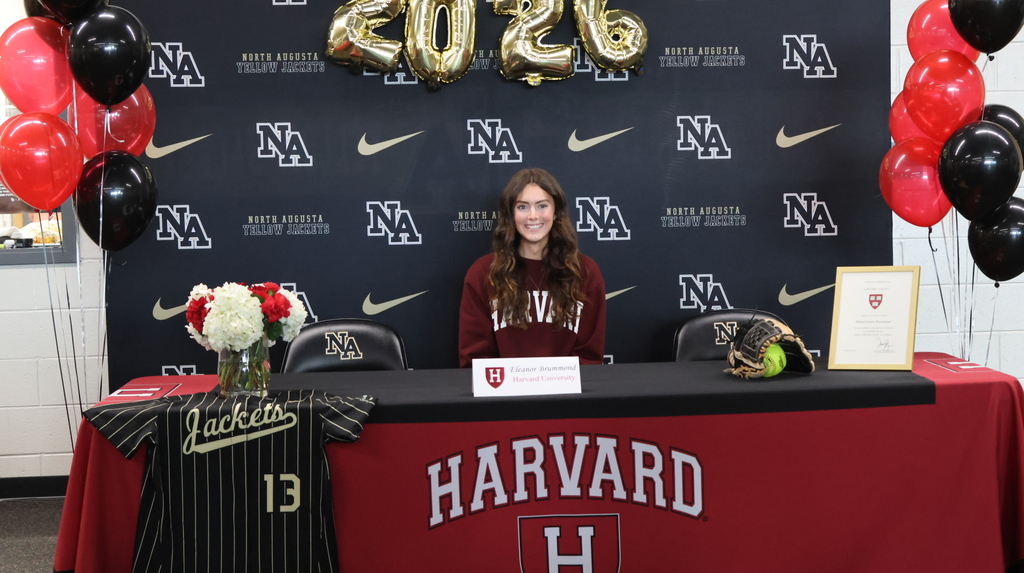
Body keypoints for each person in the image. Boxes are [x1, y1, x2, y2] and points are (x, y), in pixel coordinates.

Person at [458, 168, 606, 367]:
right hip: (503, 396)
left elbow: (589, 357)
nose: (533, 216)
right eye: (522, 207)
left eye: (542, 205)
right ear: (510, 214)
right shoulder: (483, 274)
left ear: (556, 212)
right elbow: (476, 359)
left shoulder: (585, 272)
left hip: (566, 395)